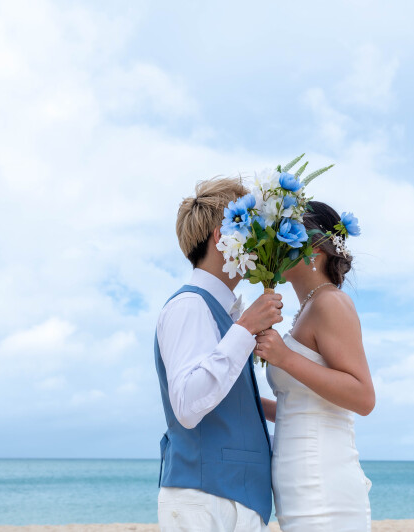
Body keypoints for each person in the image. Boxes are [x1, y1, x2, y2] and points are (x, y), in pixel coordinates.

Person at [154, 177, 283, 532]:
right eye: (250, 229)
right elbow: (188, 404)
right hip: (207, 499)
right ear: (219, 235)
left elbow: (221, 398)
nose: (258, 243)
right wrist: (244, 330)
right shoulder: (190, 305)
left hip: (227, 499)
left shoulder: (214, 309)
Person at [254, 200, 375, 532]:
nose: (271, 249)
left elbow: (363, 398)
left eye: (283, 238)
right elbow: (305, 405)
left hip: (322, 480)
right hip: (297, 479)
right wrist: (253, 404)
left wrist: (286, 358)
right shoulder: (307, 310)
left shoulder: (331, 303)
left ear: (316, 248)